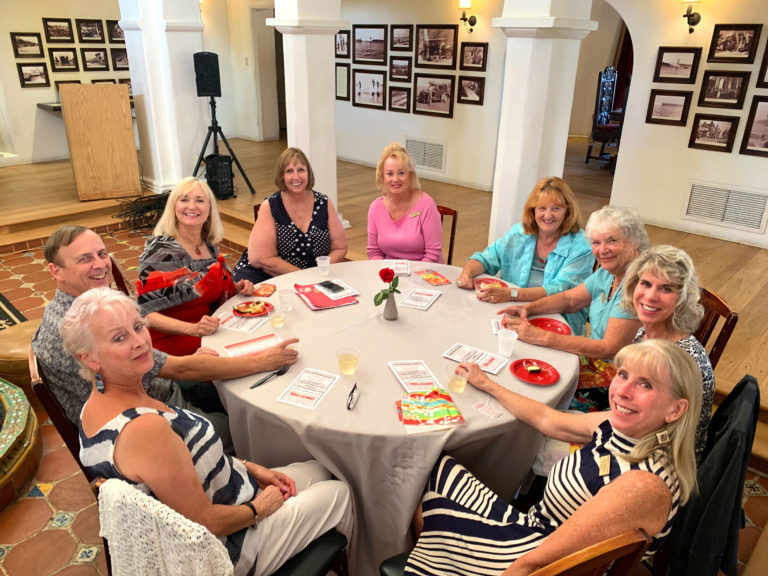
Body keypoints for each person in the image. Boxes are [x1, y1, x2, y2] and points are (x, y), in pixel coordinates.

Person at [62, 288, 352, 576]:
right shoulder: (142, 429)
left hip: (231, 492)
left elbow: (186, 465)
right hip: (232, 546)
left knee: (320, 468)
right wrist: (259, 509)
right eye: (119, 337)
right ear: (89, 358)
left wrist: (250, 467)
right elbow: (205, 522)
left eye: (138, 326)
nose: (140, 342)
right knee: (342, 491)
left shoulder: (96, 404)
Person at [405, 340, 701, 575]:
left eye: (645, 385)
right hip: (537, 531)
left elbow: (531, 567)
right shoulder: (624, 427)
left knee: (419, 482)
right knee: (433, 464)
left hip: (533, 555)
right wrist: (486, 383)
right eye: (623, 375)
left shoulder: (642, 484)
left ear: (675, 410)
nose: (622, 391)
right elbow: (550, 421)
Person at [31, 226, 298, 446]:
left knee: (236, 387)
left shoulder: (89, 301)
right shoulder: (82, 324)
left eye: (102, 254)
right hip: (138, 426)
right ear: (56, 271)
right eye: (84, 259)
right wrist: (264, 361)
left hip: (154, 390)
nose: (101, 265)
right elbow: (177, 369)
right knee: (249, 426)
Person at [501, 205, 649, 411]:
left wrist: (542, 337)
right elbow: (571, 299)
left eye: (612, 241)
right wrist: (529, 308)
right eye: (596, 242)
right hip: (593, 361)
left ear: (635, 242)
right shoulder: (611, 272)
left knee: (532, 393)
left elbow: (609, 348)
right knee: (528, 366)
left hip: (622, 378)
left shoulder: (640, 284)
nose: (602, 249)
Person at [455, 177, 594, 335]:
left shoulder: (581, 245)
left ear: (568, 211)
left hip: (557, 320)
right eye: (542, 208)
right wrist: (467, 273)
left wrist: (513, 295)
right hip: (513, 310)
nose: (548, 215)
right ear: (533, 210)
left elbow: (560, 290)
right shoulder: (519, 233)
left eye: (556, 208)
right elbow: (486, 258)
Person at [138, 177, 255, 356]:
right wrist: (193, 329)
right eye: (184, 200)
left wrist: (235, 289)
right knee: (242, 353)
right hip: (171, 340)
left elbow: (210, 290)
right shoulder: (161, 251)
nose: (192, 206)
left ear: (209, 209)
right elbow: (145, 314)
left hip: (206, 330)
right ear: (173, 207)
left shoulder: (207, 247)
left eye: (200, 200)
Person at [622, 245, 714, 462]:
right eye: (645, 283)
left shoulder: (681, 358)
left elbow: (661, 436)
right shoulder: (647, 333)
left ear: (682, 298)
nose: (651, 296)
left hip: (662, 458)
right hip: (640, 433)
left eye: (666, 289)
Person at [233, 147, 348, 283]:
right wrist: (304, 277)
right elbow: (261, 259)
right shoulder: (270, 206)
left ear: (308, 173)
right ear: (282, 176)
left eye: (301, 170)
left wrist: (320, 272)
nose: (296, 177)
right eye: (289, 171)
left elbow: (340, 248)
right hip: (270, 274)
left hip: (316, 274)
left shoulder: (324, 202)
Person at [367, 142, 444, 263]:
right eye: (390, 173)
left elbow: (433, 254)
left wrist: (412, 277)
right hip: (390, 275)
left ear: (411, 175)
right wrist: (386, 274)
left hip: (425, 273)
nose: (395, 179)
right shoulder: (375, 207)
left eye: (401, 173)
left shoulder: (426, 204)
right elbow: (374, 252)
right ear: (382, 177)